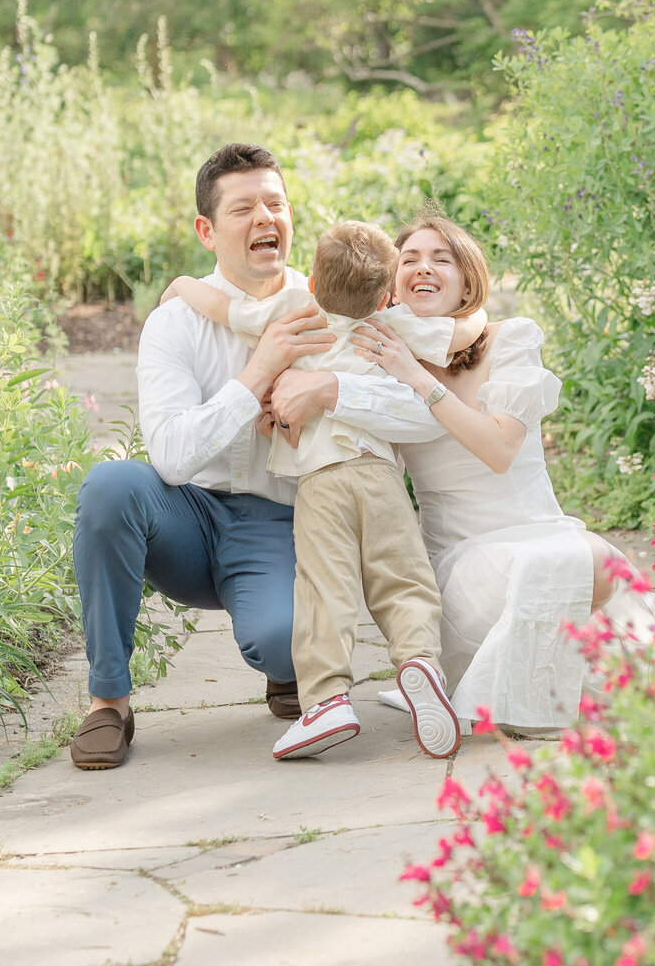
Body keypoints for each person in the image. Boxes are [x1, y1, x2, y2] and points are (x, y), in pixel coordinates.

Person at [68, 144, 448, 771]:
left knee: (287, 644)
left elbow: (415, 408)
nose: (264, 217)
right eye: (243, 208)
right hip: (185, 517)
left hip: (280, 523)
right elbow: (168, 458)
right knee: (111, 487)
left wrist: (329, 391)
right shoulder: (176, 321)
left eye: (275, 203)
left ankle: (287, 670)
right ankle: (109, 701)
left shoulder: (326, 303)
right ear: (207, 230)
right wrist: (258, 376)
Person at [160, 219, 489, 762]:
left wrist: (180, 286)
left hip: (320, 481)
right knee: (403, 579)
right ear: (385, 293)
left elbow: (225, 309)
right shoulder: (393, 325)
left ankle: (327, 701)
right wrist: (477, 309)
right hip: (379, 474)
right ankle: (421, 663)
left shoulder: (293, 313)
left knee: (324, 589)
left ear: (311, 281)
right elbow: (461, 333)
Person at [363, 213, 627, 735]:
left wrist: (419, 379)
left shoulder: (510, 339)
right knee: (579, 570)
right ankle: (523, 710)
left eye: (442, 258)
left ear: (468, 278)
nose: (424, 267)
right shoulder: (383, 358)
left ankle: (493, 692)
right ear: (391, 285)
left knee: (600, 569)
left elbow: (501, 449)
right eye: (409, 259)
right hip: (460, 563)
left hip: (538, 534)